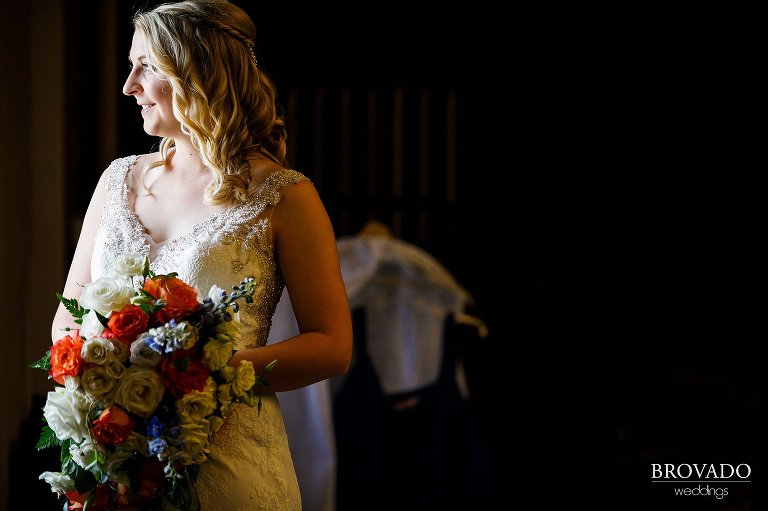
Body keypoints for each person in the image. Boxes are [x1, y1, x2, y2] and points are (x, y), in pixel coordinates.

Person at [50, 0, 353, 509]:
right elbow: (66, 323)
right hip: (117, 466)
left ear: (195, 72)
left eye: (145, 66)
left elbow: (332, 345)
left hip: (229, 469)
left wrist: (208, 371)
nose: (129, 86)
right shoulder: (116, 181)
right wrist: (114, 379)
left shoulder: (284, 195)